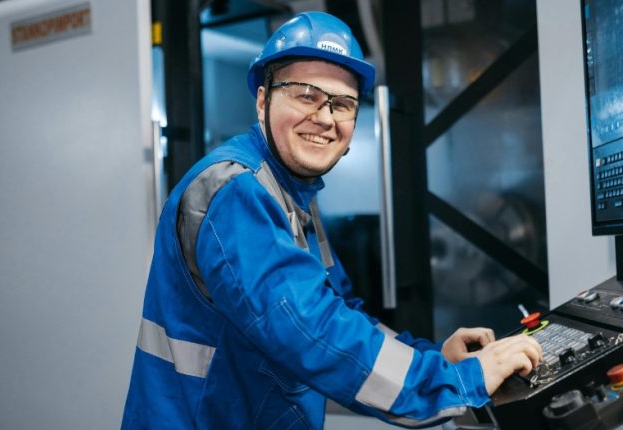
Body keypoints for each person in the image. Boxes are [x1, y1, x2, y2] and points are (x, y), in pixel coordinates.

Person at [121, 11, 542, 429]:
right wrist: (457, 380)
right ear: (264, 100)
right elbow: (313, 332)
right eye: (305, 95)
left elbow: (337, 310)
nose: (324, 118)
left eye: (341, 104)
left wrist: (432, 359)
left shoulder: (292, 191)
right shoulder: (236, 192)